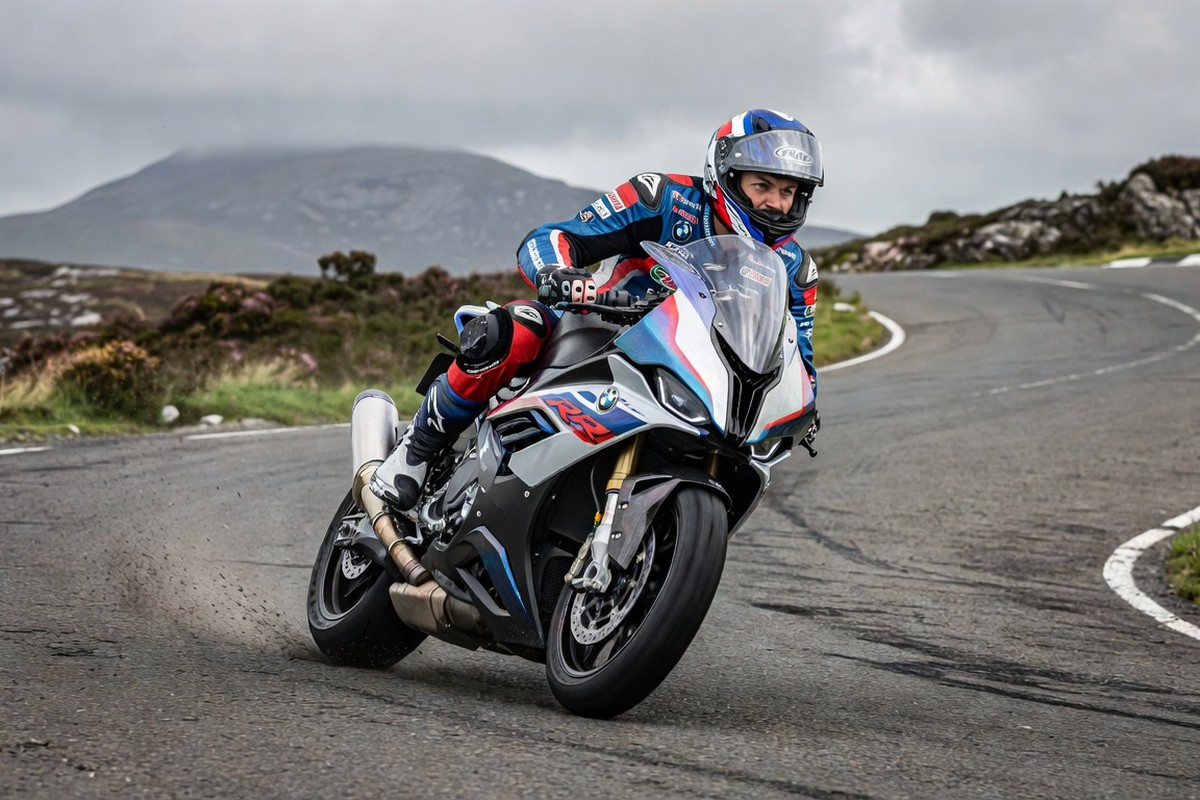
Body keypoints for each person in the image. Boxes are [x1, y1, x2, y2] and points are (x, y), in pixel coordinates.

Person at [370, 108, 824, 513]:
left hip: (696, 372)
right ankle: (416, 451)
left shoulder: (796, 269)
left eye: (788, 191)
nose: (775, 202)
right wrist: (558, 273)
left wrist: (803, 404)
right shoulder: (662, 197)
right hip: (599, 327)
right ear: (725, 174)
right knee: (514, 329)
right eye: (762, 185)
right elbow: (554, 237)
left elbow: (797, 355)